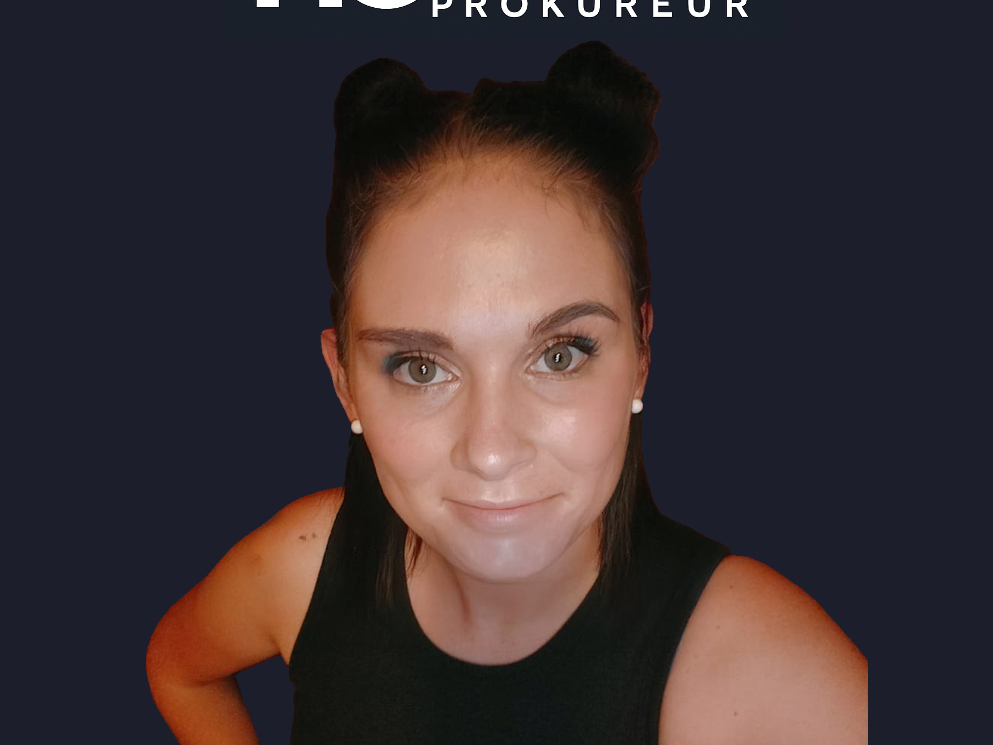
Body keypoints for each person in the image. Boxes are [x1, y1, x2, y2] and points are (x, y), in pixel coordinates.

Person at [146, 42, 868, 744]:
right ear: (345, 386)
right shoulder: (300, 568)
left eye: (559, 355)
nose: (491, 451)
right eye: (420, 368)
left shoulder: (770, 671)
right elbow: (178, 669)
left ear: (641, 360)